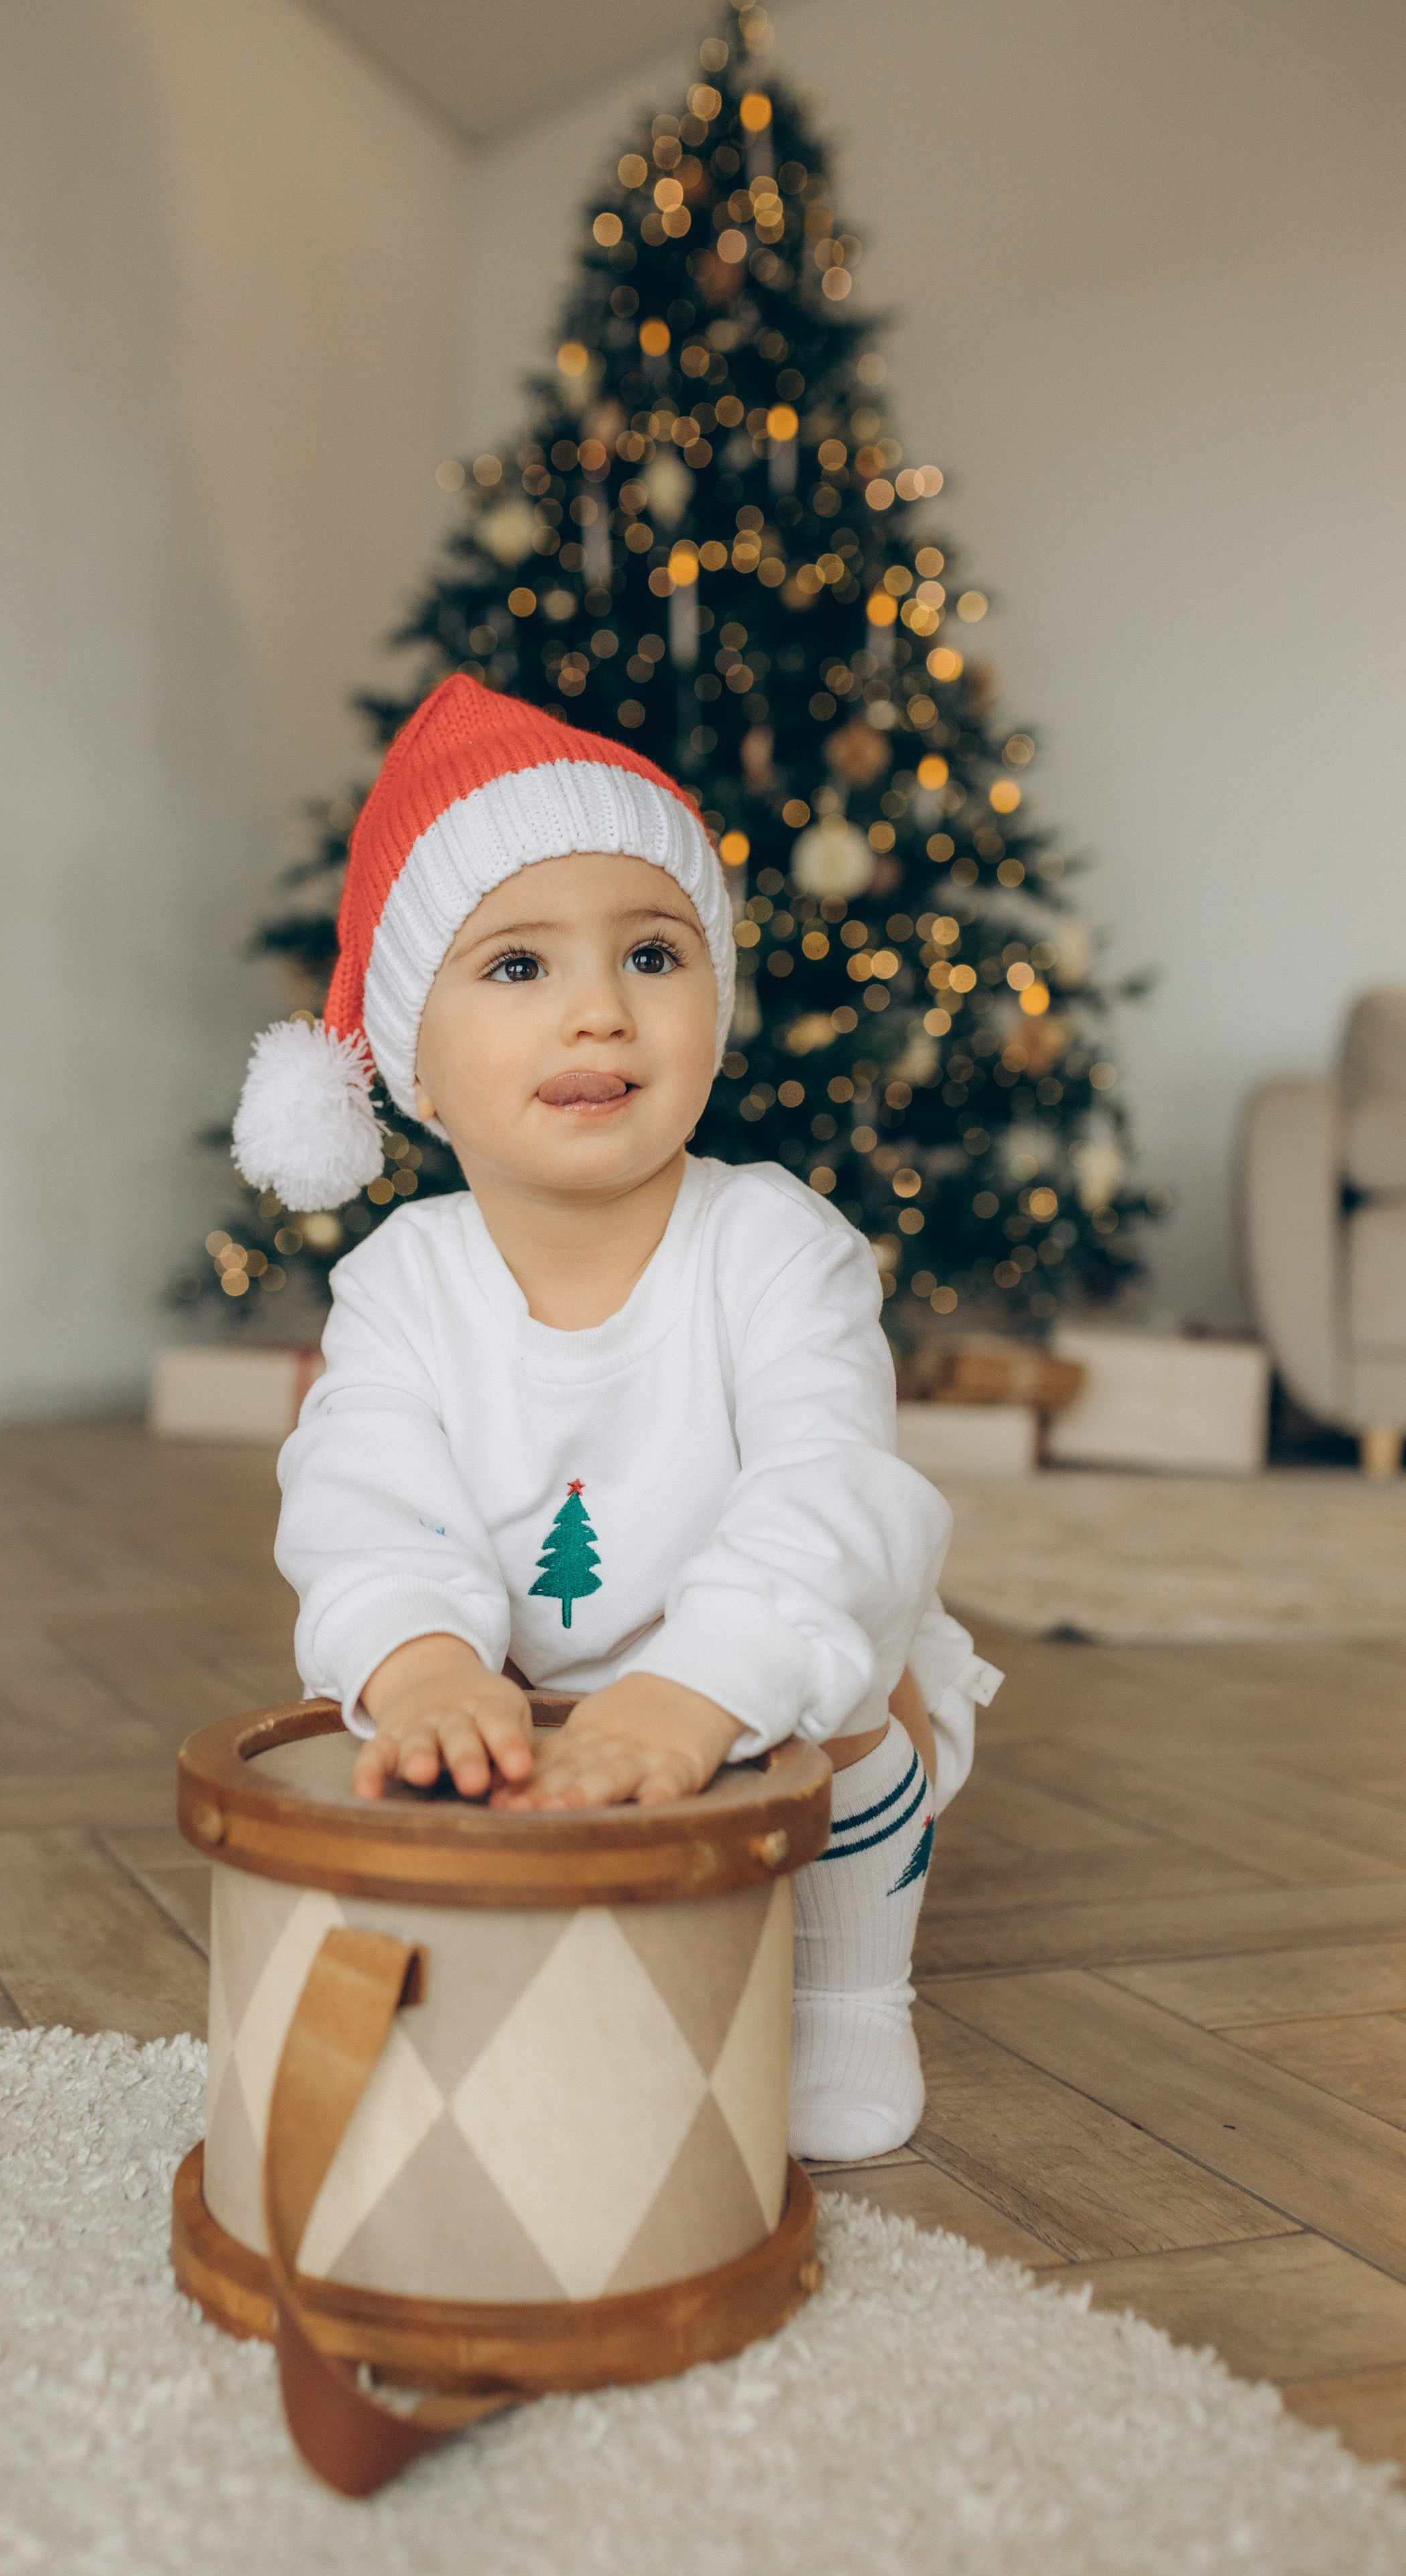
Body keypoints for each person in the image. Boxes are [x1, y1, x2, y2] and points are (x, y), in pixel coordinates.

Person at [233, 677, 1000, 2163]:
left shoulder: (776, 1248)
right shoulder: (401, 1286)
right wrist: (427, 1661)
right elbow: (360, 1499)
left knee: (857, 1676)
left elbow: (832, 1495)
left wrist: (699, 1687)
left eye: (651, 953)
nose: (598, 1007)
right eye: (515, 967)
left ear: (712, 1006)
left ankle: (848, 1991)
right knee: (419, 1742)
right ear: (414, 1068)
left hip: (765, 1685)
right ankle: (553, 1938)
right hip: (530, 1698)